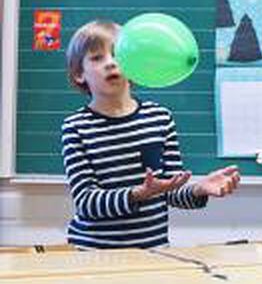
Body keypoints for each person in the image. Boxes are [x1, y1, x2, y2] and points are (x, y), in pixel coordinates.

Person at [62, 20, 238, 249]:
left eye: (118, 54)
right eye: (97, 58)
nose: (111, 63)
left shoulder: (159, 118)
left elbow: (170, 191)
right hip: (94, 254)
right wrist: (139, 194)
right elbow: (87, 202)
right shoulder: (76, 127)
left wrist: (199, 188)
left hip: (152, 252)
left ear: (136, 63)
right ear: (79, 74)